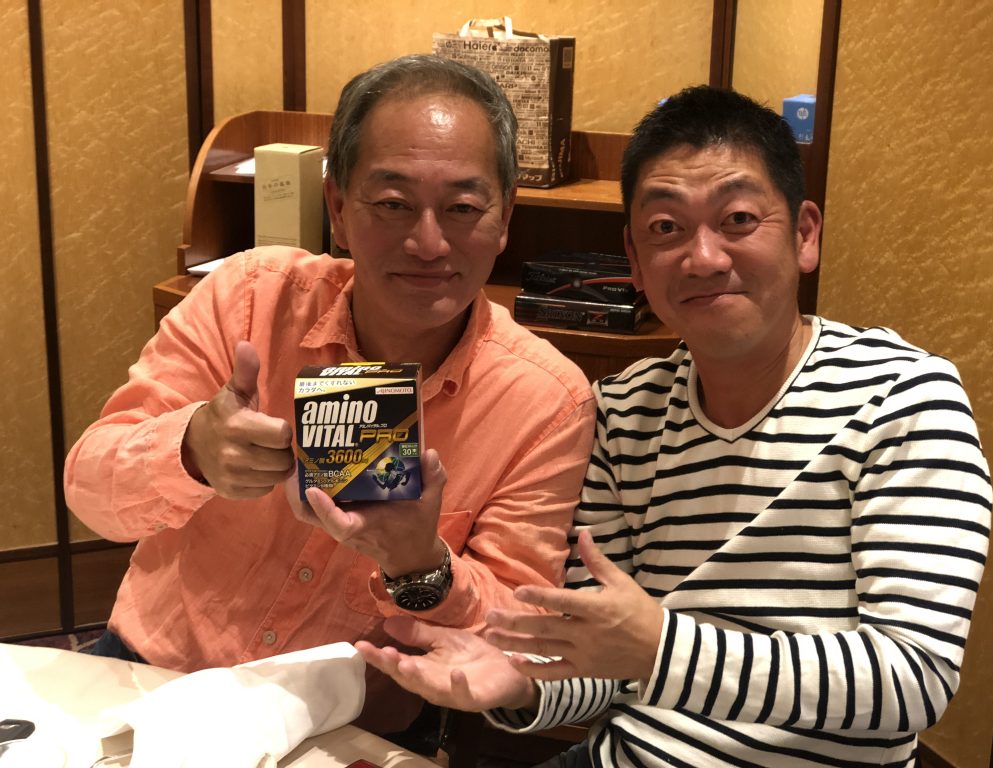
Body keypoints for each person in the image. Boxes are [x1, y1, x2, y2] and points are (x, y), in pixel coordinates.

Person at [355, 85, 993, 767]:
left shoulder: (903, 398)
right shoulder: (626, 411)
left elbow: (913, 679)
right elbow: (606, 654)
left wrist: (662, 648)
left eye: (738, 219)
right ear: (634, 261)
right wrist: (525, 682)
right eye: (666, 228)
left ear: (805, 235)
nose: (704, 258)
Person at [63, 54, 596, 738]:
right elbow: (90, 490)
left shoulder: (546, 401)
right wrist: (192, 450)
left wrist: (421, 565)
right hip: (154, 676)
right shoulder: (248, 299)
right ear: (338, 209)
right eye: (393, 204)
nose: (428, 242)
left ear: (504, 219)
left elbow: (517, 634)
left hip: (346, 728)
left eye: (463, 208)